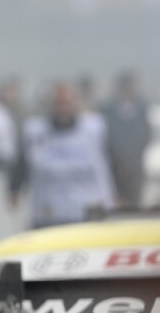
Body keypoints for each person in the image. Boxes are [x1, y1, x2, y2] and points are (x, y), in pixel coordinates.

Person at [8, 82, 116, 228]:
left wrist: (124, 193)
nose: (63, 108)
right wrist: (14, 189)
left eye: (67, 103)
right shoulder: (35, 133)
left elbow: (116, 162)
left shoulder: (94, 130)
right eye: (58, 103)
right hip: (49, 214)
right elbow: (21, 164)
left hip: (90, 214)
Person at [100, 71, 152, 208]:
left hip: (136, 164)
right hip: (113, 165)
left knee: (136, 202)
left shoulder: (143, 109)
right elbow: (107, 137)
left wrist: (133, 157)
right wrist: (119, 159)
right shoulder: (108, 110)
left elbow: (146, 136)